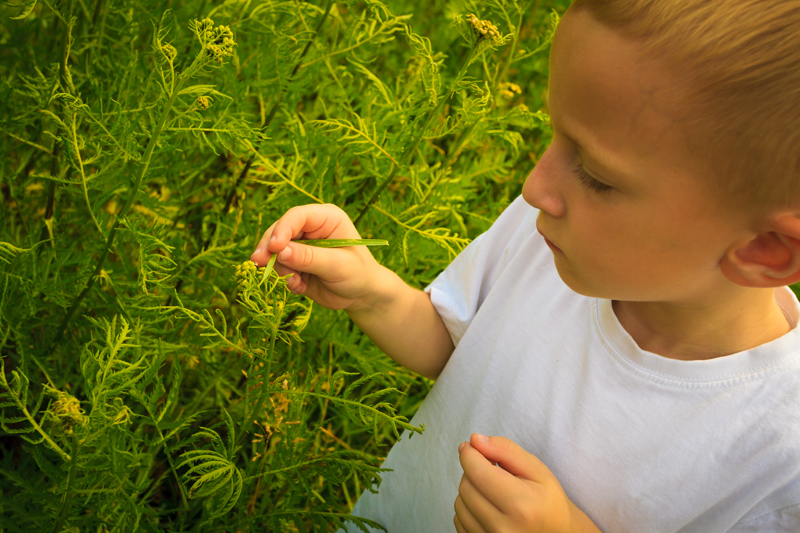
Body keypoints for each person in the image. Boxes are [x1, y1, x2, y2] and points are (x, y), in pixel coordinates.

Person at [250, 0, 800, 530]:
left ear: (764, 251)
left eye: (595, 175)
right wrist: (374, 293)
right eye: (554, 136)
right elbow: (457, 349)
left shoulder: (777, 461)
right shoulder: (552, 240)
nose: (535, 186)